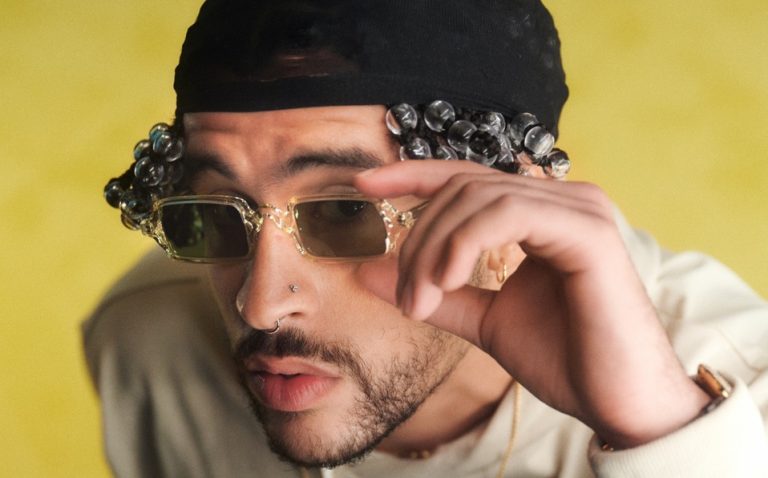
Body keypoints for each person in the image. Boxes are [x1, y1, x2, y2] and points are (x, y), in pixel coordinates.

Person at [84, 1, 768, 476]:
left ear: (506, 218)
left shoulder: (743, 392)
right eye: (223, 211)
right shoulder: (153, 341)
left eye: (343, 213)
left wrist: (659, 432)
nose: (259, 306)